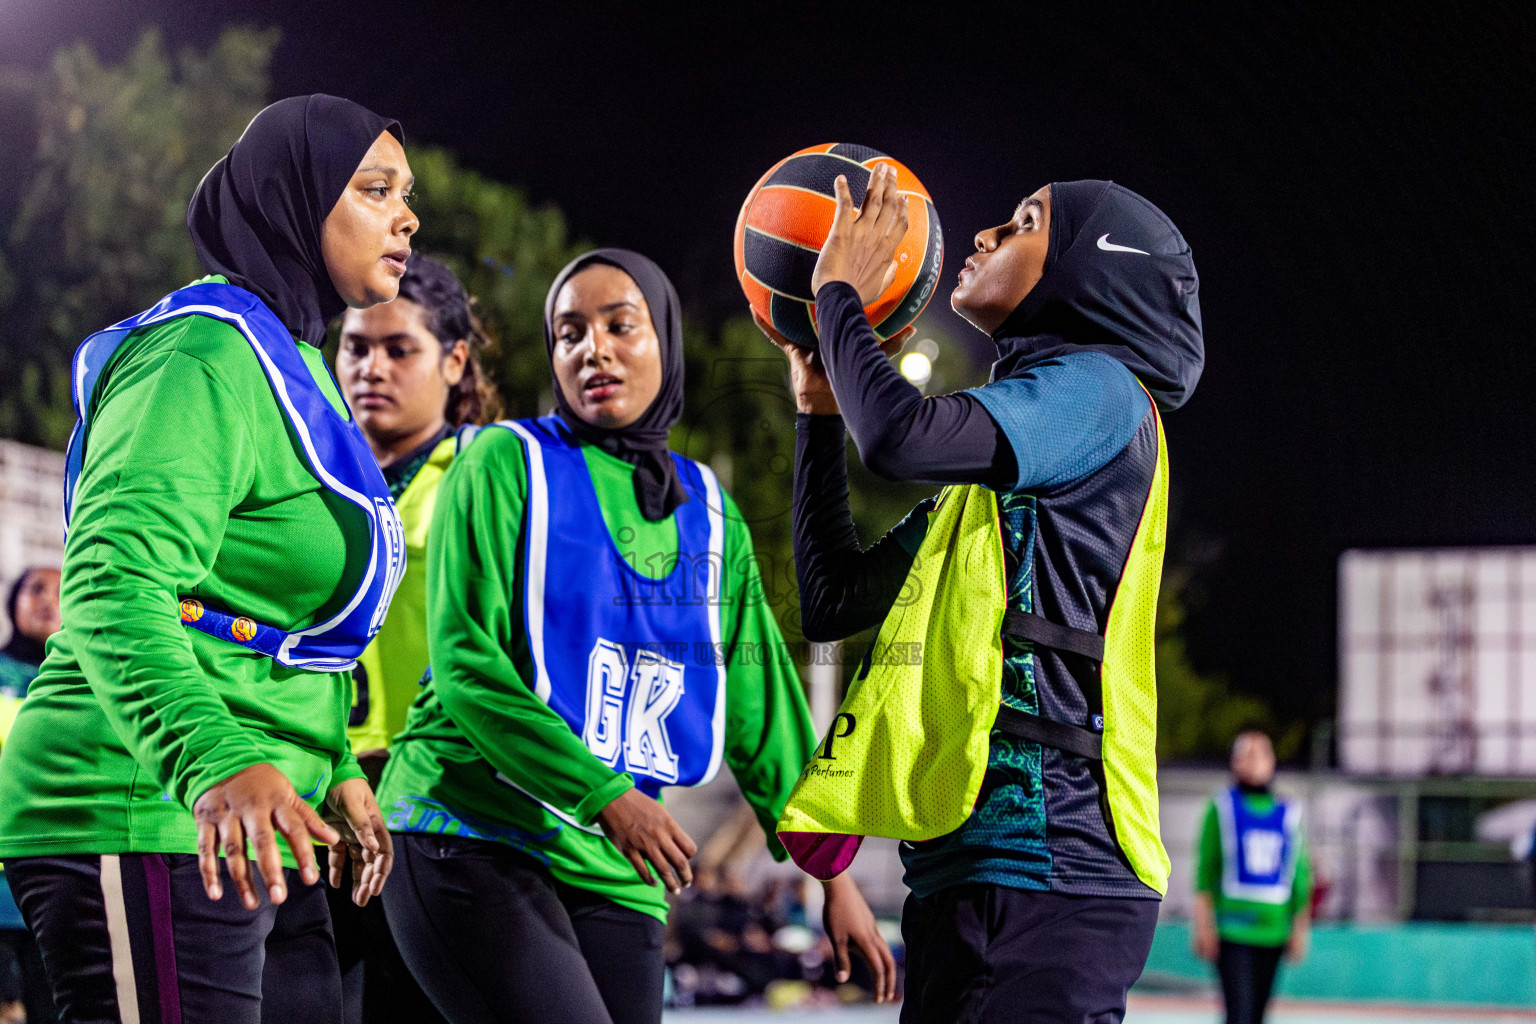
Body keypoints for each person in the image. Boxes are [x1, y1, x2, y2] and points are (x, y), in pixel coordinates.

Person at [377, 248, 895, 1024]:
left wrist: (834, 880)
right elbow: (463, 666)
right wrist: (607, 795)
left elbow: (763, 716)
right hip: (471, 829)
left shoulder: (712, 511)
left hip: (614, 864)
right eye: (569, 331)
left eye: (622, 325)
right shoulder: (502, 463)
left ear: (666, 344)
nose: (595, 348)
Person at [0, 94, 415, 1023]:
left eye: (407, 193)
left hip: (262, 808)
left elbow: (274, 623)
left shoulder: (296, 362)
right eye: (375, 188)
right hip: (142, 797)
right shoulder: (200, 353)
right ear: (296, 201)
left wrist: (332, 761)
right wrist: (216, 760)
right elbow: (111, 586)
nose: (407, 215)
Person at [761, 167, 1204, 1022]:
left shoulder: (1101, 391)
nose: (984, 236)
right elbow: (832, 598)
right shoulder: (1003, 476)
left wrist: (841, 297)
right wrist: (817, 412)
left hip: (1050, 869)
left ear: (1090, 272)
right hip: (971, 872)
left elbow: (898, 434)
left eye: (1024, 221)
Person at [329, 251, 498, 1024]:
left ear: (455, 360)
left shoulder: (487, 474)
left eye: (401, 349)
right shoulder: (306, 468)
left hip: (434, 808)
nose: (372, 368)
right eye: (357, 347)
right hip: (315, 794)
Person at [1193, 730, 1312, 1024]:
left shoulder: (1288, 813)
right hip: (1233, 931)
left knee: (1258, 1014)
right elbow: (1204, 873)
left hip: (1274, 932)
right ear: (1235, 762)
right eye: (1248, 753)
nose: (1256, 760)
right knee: (1240, 1012)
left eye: (1263, 752)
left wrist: (1299, 928)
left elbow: (1300, 876)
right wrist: (1203, 926)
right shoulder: (1221, 808)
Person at [0, 568, 61, 1024]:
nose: (48, 601)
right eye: (35, 589)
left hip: (58, 874)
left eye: (61, 591)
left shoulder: (88, 684)